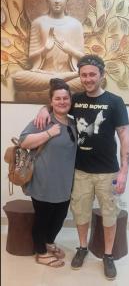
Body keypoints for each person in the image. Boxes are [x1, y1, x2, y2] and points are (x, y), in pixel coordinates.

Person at [34, 54, 129, 279]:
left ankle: (107, 255)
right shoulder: (75, 99)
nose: (87, 79)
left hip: (108, 171)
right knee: (80, 212)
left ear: (102, 75)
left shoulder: (115, 101)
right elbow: (57, 105)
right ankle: (82, 247)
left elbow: (124, 136)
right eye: (84, 75)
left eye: (92, 74)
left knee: (109, 214)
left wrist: (124, 171)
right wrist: (43, 109)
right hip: (80, 171)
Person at [19, 78, 77, 267]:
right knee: (43, 220)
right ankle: (41, 252)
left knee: (59, 218)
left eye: (65, 99)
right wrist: (48, 133)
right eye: (58, 98)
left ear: (70, 101)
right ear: (51, 102)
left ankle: (49, 242)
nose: (62, 102)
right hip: (43, 181)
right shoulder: (43, 120)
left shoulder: (72, 122)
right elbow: (24, 142)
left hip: (65, 183)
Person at [12, 0, 84, 103]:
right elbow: (32, 56)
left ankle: (55, 84)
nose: (57, 0)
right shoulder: (38, 23)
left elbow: (82, 58)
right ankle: (60, 83)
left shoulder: (75, 25)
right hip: (44, 74)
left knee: (92, 80)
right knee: (18, 78)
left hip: (69, 73)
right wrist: (44, 49)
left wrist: (69, 49)